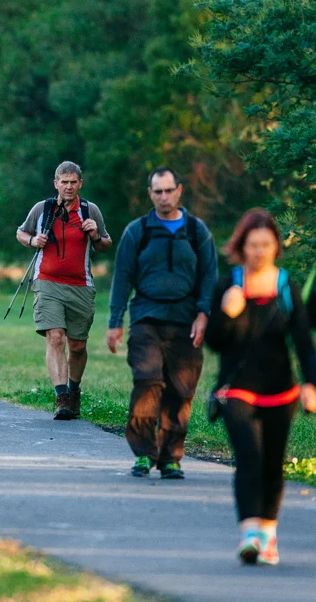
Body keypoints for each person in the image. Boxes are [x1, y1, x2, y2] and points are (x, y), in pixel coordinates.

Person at [206, 209, 316, 566]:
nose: (259, 251)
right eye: (253, 245)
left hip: (281, 391)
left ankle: (268, 535)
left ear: (276, 247)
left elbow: (303, 342)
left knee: (272, 463)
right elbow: (213, 341)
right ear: (242, 247)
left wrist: (312, 384)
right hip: (237, 388)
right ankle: (249, 535)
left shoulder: (286, 287)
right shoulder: (228, 284)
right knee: (249, 458)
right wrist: (227, 314)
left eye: (266, 245)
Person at [107, 167, 218, 479]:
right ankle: (144, 453)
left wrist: (204, 314)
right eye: (158, 191)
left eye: (169, 190)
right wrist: (115, 321)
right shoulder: (138, 231)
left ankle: (170, 458)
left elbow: (209, 276)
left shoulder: (197, 231)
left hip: (186, 321)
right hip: (147, 318)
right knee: (147, 381)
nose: (164, 197)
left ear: (179, 191)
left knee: (181, 390)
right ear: (150, 194)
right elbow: (122, 277)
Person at [16, 161, 112, 420]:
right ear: (56, 183)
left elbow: (105, 244)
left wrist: (95, 235)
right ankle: (62, 398)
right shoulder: (42, 209)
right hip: (47, 281)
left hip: (81, 285)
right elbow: (21, 233)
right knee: (55, 337)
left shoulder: (89, 210)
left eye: (73, 182)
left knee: (77, 345)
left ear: (80, 184)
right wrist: (33, 240)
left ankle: (74, 389)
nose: (68, 186)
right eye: (64, 182)